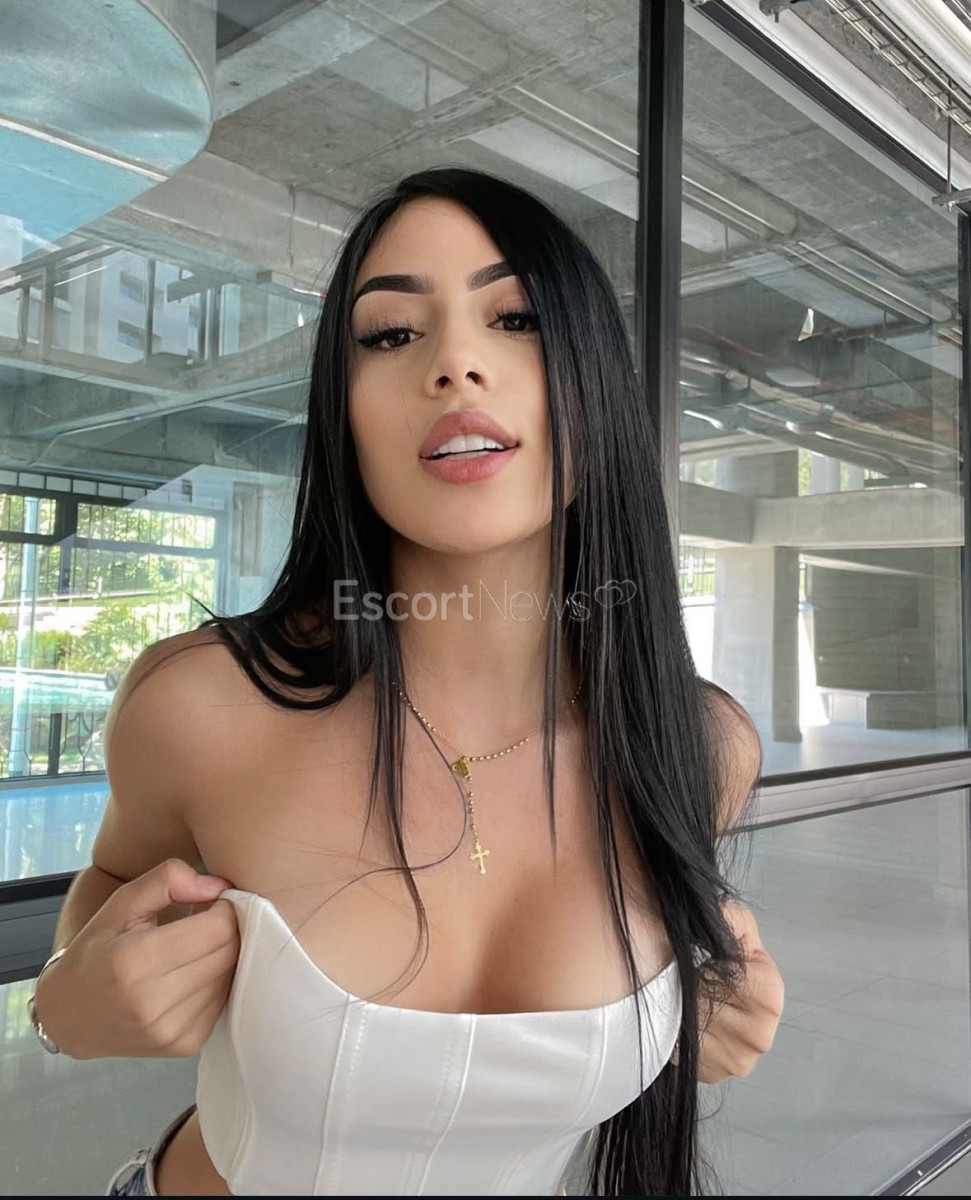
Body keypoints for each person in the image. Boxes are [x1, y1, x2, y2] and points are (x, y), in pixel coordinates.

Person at [31, 167, 784, 1197]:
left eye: (515, 318)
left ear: (597, 382)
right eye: (390, 334)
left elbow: (699, 954)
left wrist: (700, 1006)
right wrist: (64, 1003)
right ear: (340, 413)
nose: (455, 364)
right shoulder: (201, 707)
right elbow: (114, 886)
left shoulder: (693, 748)